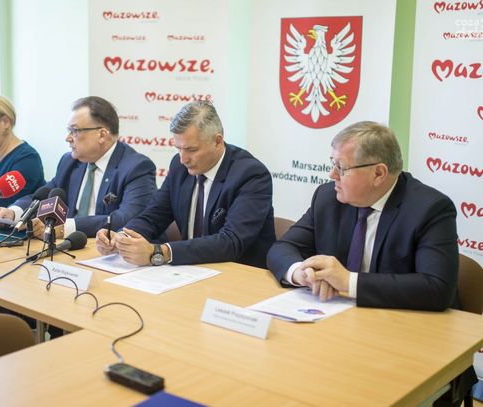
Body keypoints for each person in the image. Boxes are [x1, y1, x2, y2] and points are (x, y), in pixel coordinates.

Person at [267, 121, 474, 406]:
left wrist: (348, 282)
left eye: (341, 167)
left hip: (412, 346)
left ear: (378, 173)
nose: (332, 174)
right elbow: (283, 247)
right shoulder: (328, 197)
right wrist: (301, 273)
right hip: (341, 335)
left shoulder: (430, 209)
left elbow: (436, 288)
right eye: (332, 163)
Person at [96, 101, 275, 268]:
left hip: (238, 274)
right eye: (178, 148)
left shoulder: (251, 175)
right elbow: (153, 216)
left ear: (217, 141)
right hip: (190, 271)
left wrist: (160, 252)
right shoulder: (179, 166)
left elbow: (231, 242)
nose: (183, 159)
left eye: (191, 149)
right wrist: (122, 238)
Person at [0, 96, 157, 238]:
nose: (68, 138)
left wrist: (66, 227)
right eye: (68, 130)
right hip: (70, 246)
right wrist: (14, 212)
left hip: (109, 252)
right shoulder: (70, 162)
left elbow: (127, 219)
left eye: (75, 131)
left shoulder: (136, 168)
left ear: (102, 134)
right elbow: (44, 196)